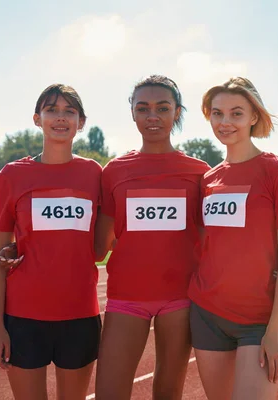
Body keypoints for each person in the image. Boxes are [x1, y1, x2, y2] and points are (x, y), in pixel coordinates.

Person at [94, 75, 210, 400]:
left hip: (181, 297)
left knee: (168, 392)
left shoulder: (200, 172)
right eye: (143, 108)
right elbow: (97, 248)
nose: (152, 116)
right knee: (109, 392)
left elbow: (212, 239)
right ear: (132, 113)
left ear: (177, 112)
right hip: (127, 295)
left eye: (162, 108)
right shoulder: (114, 171)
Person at [188, 77, 278, 400]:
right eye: (217, 113)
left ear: (254, 117)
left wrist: (274, 329)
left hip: (258, 320)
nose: (225, 122)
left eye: (236, 113)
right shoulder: (208, 179)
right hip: (207, 313)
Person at [0, 84, 102, 400]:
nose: (60, 118)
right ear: (38, 119)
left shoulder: (94, 174)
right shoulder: (12, 175)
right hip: (23, 318)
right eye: (52, 110)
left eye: (70, 111)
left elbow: (104, 242)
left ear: (82, 121)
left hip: (79, 315)